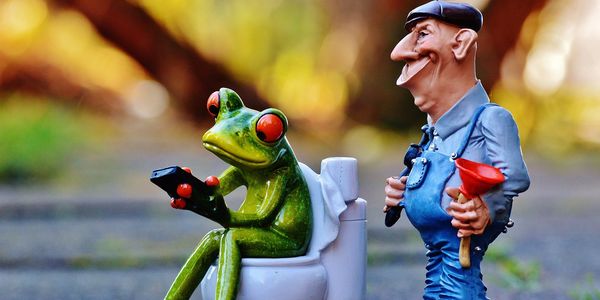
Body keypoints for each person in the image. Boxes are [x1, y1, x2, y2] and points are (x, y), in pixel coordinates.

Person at [383, 1, 531, 299]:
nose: (399, 53)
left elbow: (513, 176)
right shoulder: (431, 134)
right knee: (437, 287)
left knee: (458, 288)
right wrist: (403, 192)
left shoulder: (490, 120)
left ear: (461, 43)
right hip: (435, 264)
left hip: (461, 257)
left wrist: (487, 205)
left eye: (423, 34)